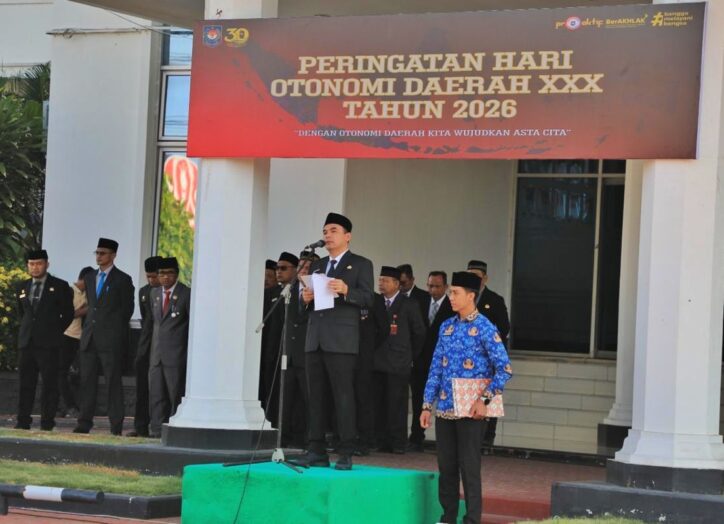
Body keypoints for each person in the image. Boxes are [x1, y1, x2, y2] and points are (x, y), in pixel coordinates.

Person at [420, 271, 512, 524]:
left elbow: (504, 369)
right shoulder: (446, 327)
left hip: (472, 410)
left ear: (471, 296)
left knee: (469, 467)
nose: (451, 297)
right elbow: (435, 368)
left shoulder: (485, 327)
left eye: (455, 293)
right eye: (450, 292)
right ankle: (447, 517)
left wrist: (484, 400)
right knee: (446, 467)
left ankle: (472, 519)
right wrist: (426, 405)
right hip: (446, 408)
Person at [294, 212, 374, 471]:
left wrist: (347, 290)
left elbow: (369, 299)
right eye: (325, 231)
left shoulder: (360, 264)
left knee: (343, 396)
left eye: (333, 230)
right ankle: (316, 449)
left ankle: (346, 450)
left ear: (347, 236)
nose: (327, 235)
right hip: (315, 339)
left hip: (341, 341)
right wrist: (304, 299)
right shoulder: (317, 265)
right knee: (315, 396)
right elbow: (302, 308)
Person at [75, 238, 135, 435]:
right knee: (87, 382)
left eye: (103, 253)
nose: (99, 257)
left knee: (112, 382)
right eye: (97, 253)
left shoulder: (122, 279)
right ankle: (84, 422)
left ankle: (116, 424)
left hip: (110, 340)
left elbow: (126, 311)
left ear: (113, 255)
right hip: (90, 337)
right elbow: (91, 306)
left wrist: (113, 331)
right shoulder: (90, 277)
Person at [14, 250, 74, 431]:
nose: (35, 267)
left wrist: (54, 331)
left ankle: (47, 422)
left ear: (47, 264)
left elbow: (68, 314)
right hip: (27, 343)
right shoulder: (22, 286)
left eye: (39, 263)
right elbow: (22, 313)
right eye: (31, 264)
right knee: (25, 384)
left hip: (49, 344)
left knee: (49, 384)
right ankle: (23, 421)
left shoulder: (60, 286)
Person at [372, 266, 425, 453]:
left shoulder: (409, 304)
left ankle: (397, 442)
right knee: (378, 403)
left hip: (399, 361)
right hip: (377, 361)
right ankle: (380, 440)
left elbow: (419, 333)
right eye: (380, 280)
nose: (381, 284)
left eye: (385, 281)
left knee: (397, 404)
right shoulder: (376, 302)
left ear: (396, 284)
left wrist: (410, 355)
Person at [467, 259, 511, 450]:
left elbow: (504, 328)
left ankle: (487, 437)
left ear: (485, 278)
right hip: (466, 359)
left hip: (487, 358)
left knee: (489, 396)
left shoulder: (494, 300)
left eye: (477, 276)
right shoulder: (463, 298)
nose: (473, 280)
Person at [408, 270, 454, 451]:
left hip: (443, 361)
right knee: (419, 399)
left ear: (446, 287)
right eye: (430, 286)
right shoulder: (420, 302)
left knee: (445, 400)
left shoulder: (452, 305)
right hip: (421, 360)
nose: (432, 290)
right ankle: (416, 437)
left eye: (437, 286)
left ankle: (446, 442)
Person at [148, 257, 191, 438]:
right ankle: (156, 429)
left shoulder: (186, 293)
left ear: (176, 274)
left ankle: (174, 429)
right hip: (156, 354)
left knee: (175, 393)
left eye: (169, 273)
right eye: (161, 273)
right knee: (156, 393)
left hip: (176, 353)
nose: (165, 277)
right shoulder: (154, 293)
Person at [280, 250, 318, 447]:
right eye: (301, 266)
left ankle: (309, 440)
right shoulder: (290, 289)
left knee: (309, 400)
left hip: (308, 353)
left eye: (308, 267)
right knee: (286, 401)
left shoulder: (320, 291)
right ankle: (284, 438)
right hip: (289, 355)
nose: (303, 270)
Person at [262, 251, 299, 427]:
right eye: (277, 268)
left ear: (295, 270)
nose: (278, 272)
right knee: (272, 390)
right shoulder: (271, 293)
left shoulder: (300, 291)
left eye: (283, 268)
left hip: (292, 353)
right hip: (272, 351)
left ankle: (290, 430)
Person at [126, 256, 162, 437]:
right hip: (145, 344)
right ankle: (140, 426)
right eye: (148, 276)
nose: (151, 280)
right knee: (141, 388)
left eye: (154, 276)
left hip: (161, 346)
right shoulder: (144, 292)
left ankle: (159, 425)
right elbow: (146, 320)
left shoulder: (167, 292)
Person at [58, 266, 94, 418]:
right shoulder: (69, 291)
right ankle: (68, 406)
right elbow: (65, 313)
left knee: (78, 374)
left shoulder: (89, 294)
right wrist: (85, 309)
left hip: (82, 338)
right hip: (67, 335)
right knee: (61, 372)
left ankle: (73, 406)